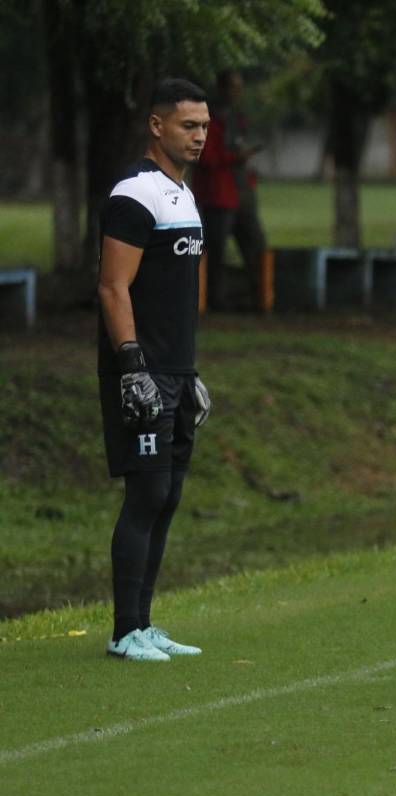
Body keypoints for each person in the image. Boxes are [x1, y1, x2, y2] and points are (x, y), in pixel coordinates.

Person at [97, 77, 213, 661]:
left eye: (204, 127)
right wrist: (133, 368)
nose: (198, 137)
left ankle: (144, 624)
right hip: (141, 372)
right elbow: (113, 287)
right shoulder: (134, 193)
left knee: (166, 496)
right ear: (157, 126)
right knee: (145, 496)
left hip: (175, 372)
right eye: (188, 126)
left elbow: (181, 295)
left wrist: (188, 372)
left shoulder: (183, 194)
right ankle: (122, 632)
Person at [191, 70, 266, 311]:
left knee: (255, 244)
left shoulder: (237, 118)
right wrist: (235, 157)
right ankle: (215, 299)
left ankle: (260, 296)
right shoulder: (209, 118)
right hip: (218, 193)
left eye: (239, 87)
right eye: (232, 87)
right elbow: (205, 156)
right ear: (221, 88)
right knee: (216, 250)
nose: (237, 92)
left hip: (240, 190)